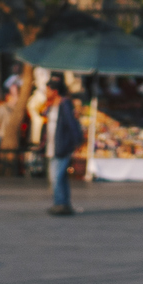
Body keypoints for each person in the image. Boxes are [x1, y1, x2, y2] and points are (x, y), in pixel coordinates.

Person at [45, 79, 86, 214]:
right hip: (52, 145)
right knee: (59, 177)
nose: (46, 92)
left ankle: (61, 204)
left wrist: (77, 141)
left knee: (55, 177)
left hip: (62, 145)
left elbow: (72, 123)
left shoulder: (65, 104)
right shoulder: (52, 105)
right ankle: (63, 203)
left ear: (55, 91)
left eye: (48, 90)